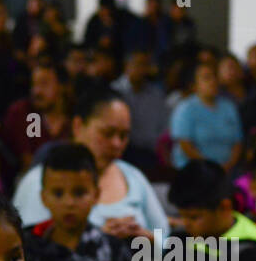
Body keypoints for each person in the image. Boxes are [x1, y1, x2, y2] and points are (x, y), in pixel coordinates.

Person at [12, 88, 169, 241]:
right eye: (107, 133)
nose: (116, 143)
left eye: (123, 136)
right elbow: (30, 246)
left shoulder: (133, 176)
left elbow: (164, 235)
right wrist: (96, 240)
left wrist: (147, 238)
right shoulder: (38, 181)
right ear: (78, 126)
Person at [170, 60, 244, 171]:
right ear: (194, 85)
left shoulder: (229, 106)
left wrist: (228, 165)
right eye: (206, 78)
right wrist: (211, 168)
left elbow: (238, 142)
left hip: (228, 170)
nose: (213, 81)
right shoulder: (185, 109)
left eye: (214, 76)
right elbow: (185, 145)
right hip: (195, 170)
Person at [0, 61, 70, 171]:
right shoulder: (26, 113)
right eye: (34, 84)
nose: (36, 91)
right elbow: (28, 162)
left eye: (44, 84)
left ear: (62, 86)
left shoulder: (74, 117)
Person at [110, 49, 169, 175]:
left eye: (146, 65)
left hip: (152, 151)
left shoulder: (156, 94)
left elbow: (163, 126)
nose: (142, 69)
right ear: (127, 65)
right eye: (138, 64)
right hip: (125, 150)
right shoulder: (114, 91)